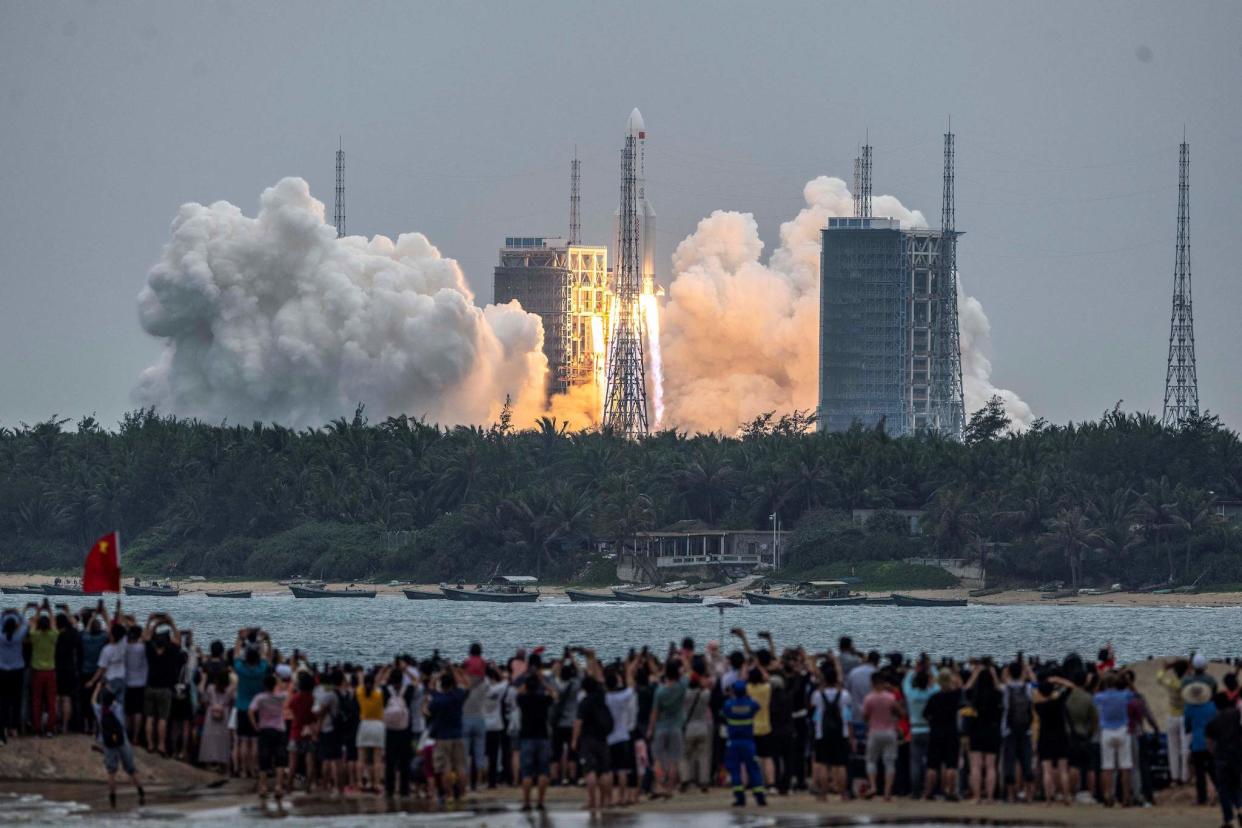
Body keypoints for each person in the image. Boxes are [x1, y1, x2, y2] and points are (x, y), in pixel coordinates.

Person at [91, 683, 145, 809]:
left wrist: (97, 688)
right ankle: (141, 792)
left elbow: (92, 700)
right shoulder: (118, 708)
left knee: (111, 772)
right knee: (131, 769)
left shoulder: (99, 710)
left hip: (107, 742)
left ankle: (112, 799)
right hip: (122, 740)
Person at [810, 656, 851, 802]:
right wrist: (836, 662)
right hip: (841, 733)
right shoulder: (844, 695)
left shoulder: (817, 695)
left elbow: (813, 707)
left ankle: (823, 794)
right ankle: (843, 793)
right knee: (840, 765)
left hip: (822, 733)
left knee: (823, 764)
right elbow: (847, 714)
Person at [427, 664, 468, 804]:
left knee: (446, 767)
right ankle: (462, 793)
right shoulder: (458, 697)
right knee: (461, 766)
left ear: (442, 685)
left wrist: (436, 677)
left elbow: (430, 690)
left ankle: (449, 794)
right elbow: (467, 685)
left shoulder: (438, 699)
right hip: (458, 735)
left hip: (442, 736)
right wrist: (455, 671)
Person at [572, 671, 614, 811]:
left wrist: (574, 740)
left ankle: (593, 802)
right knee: (604, 771)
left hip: (587, 738)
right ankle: (607, 800)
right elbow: (599, 678)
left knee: (590, 771)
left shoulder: (584, 702)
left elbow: (578, 722)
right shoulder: (601, 696)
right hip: (602, 737)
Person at [721, 680, 767, 807]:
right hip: (748, 742)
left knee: (735, 770)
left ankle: (740, 798)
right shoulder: (750, 704)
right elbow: (757, 706)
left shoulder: (729, 704)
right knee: (753, 769)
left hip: (733, 742)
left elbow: (723, 712)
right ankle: (760, 797)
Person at [232, 628, 271, 778]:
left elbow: (235, 655)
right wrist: (265, 641)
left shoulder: (241, 669)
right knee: (254, 742)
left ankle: (242, 770)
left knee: (242, 741)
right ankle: (253, 769)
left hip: (242, 707)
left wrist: (240, 638)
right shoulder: (261, 670)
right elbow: (265, 657)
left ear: (246, 658)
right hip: (256, 709)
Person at [143, 613, 184, 754]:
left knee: (149, 718)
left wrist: (151, 622)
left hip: (150, 686)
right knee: (162, 719)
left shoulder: (150, 650)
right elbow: (178, 639)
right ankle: (161, 745)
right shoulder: (171, 651)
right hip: (165, 688)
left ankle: (149, 744)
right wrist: (171, 622)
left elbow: (146, 637)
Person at [1032, 673, 1074, 805]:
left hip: (1045, 738)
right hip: (1060, 737)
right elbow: (1071, 687)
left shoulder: (1039, 706)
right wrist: (1058, 679)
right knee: (1063, 770)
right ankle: (1066, 797)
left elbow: (1037, 694)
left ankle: (1049, 799)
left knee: (1047, 771)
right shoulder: (1058, 702)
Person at [516, 669, 555, 810]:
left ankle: (526, 802)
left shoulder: (523, 699)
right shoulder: (543, 699)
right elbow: (554, 695)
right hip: (542, 736)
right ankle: (540, 802)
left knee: (526, 772)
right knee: (543, 771)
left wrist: (525, 683)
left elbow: (518, 692)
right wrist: (543, 683)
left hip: (526, 736)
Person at [964, 660, 1003, 804]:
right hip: (992, 729)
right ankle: (990, 797)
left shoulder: (975, 695)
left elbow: (966, 688)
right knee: (991, 766)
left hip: (977, 729)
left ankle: (977, 796)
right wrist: (994, 674)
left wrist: (975, 673)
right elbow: (1000, 689)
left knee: (975, 765)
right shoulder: (996, 694)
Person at [862, 671, 903, 800]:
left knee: (871, 760)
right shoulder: (890, 697)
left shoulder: (869, 698)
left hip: (874, 731)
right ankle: (887, 791)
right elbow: (900, 713)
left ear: (872, 683)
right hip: (890, 732)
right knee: (889, 762)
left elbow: (865, 716)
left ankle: (873, 786)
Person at [249, 673, 289, 808]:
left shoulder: (260, 698)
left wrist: (255, 725)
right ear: (275, 685)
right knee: (280, 760)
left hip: (265, 729)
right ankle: (278, 786)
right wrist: (278, 681)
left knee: (264, 759)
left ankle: (264, 787)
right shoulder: (281, 696)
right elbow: (287, 689)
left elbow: (250, 711)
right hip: (279, 729)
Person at [648, 659, 687, 797]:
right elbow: (687, 671)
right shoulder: (682, 686)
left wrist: (650, 729)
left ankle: (659, 784)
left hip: (660, 727)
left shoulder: (660, 691)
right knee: (673, 760)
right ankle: (670, 787)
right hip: (676, 727)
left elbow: (654, 712)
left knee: (658, 759)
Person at [922, 667, 962, 801]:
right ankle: (951, 791)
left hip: (936, 732)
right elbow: (961, 687)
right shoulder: (955, 696)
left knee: (932, 765)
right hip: (951, 732)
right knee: (951, 764)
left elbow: (925, 715)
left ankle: (928, 792)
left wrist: (933, 722)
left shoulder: (934, 697)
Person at [1000, 659, 1035, 802]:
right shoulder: (1028, 688)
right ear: (1022, 672)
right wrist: (1027, 670)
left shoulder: (1005, 689)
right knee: (1026, 762)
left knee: (1010, 762)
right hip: (1026, 730)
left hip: (1009, 729)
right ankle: (1029, 795)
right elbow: (1036, 683)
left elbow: (1003, 679)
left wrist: (1007, 670)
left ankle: (1010, 795)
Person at [1206, 690, 1242, 826]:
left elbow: (1209, 743)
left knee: (1224, 789)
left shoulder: (1213, 721)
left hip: (1221, 757)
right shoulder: (1236, 714)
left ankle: (1228, 819)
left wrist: (1214, 754)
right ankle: (1240, 809)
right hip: (1237, 756)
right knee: (1237, 786)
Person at [902, 657, 935, 798]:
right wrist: (930, 668)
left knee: (915, 762)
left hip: (915, 730)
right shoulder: (930, 694)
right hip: (928, 729)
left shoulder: (911, 694)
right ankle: (928, 791)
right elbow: (938, 685)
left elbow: (905, 682)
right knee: (929, 762)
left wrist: (914, 670)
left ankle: (915, 791)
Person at [1184, 679, 1218, 805]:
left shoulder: (1189, 708)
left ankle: (1202, 798)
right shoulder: (1212, 706)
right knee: (1213, 770)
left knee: (1199, 772)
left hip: (1197, 743)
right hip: (1210, 743)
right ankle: (1220, 794)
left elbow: (1187, 726)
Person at [28, 601, 60, 736]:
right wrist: (51, 610)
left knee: (37, 701)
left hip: (37, 672)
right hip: (50, 671)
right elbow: (54, 625)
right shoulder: (53, 636)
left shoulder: (35, 636)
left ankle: (36, 729)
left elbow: (33, 624)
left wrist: (39, 610)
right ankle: (49, 729)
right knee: (51, 701)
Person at [1157, 658, 1191, 785]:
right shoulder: (1188, 683)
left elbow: (1159, 678)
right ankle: (1185, 777)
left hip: (1172, 716)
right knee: (1185, 748)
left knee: (1173, 748)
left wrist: (1165, 668)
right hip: (1184, 715)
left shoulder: (1171, 682)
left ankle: (1174, 777)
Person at [681, 665, 714, 793]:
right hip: (703, 727)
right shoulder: (705, 694)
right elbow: (709, 686)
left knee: (685, 756)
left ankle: (686, 780)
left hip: (688, 727)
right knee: (703, 756)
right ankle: (704, 781)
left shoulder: (685, 695)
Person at [0, 606, 29, 740]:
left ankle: (4, 727)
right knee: (16, 700)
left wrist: (3, 614)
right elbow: (26, 624)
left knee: (3, 701)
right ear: (15, 626)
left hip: (3, 672)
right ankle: (14, 728)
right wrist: (18, 613)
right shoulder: (18, 636)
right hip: (17, 671)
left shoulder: (1, 637)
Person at [53, 607, 82, 734]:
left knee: (57, 699)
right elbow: (74, 626)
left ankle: (55, 725)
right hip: (69, 669)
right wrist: (69, 611)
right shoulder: (72, 635)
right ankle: (65, 726)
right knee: (66, 699)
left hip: (56, 669)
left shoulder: (54, 635)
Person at [355, 670, 386, 792]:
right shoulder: (378, 693)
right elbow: (377, 685)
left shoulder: (360, 693)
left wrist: (360, 676)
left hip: (364, 724)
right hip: (377, 725)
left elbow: (361, 686)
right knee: (377, 758)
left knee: (361, 757)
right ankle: (376, 783)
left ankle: (360, 782)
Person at [197, 669, 233, 770]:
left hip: (210, 713)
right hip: (224, 714)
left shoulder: (210, 687)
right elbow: (232, 701)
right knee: (222, 739)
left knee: (209, 738)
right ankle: (222, 762)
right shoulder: (229, 690)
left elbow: (204, 699)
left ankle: (208, 762)